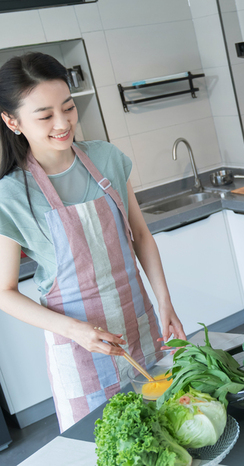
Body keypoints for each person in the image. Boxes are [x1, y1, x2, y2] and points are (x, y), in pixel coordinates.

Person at [0, 52, 186, 431]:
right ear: (12, 121)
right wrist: (76, 332)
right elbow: (4, 292)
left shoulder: (106, 158)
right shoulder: (11, 196)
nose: (63, 123)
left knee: (167, 432)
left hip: (140, 327)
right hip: (78, 350)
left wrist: (165, 302)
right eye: (45, 115)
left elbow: (141, 237)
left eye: (68, 108)